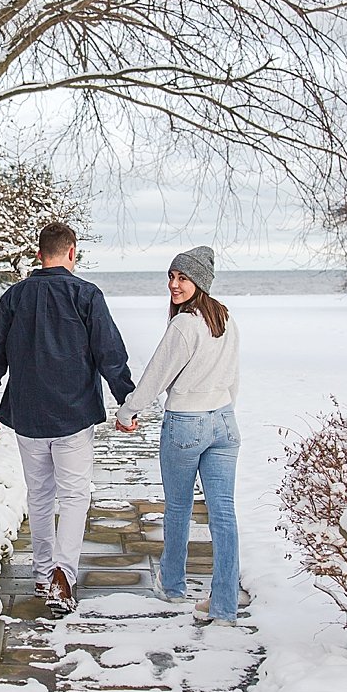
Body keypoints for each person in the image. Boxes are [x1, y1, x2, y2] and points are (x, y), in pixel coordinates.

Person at [0, 221, 134, 615]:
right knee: (76, 495)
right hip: (73, 413)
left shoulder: (14, 297)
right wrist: (126, 402)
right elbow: (109, 353)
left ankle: (44, 574)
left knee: (40, 496)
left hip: (27, 414)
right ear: (72, 252)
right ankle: (63, 573)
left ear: (39, 254)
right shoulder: (86, 295)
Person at [115, 246, 242, 625]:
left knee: (179, 507)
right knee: (223, 514)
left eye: (182, 278)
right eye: (171, 277)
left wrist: (127, 412)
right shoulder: (225, 319)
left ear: (199, 282)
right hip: (224, 422)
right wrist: (224, 407)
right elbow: (233, 375)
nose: (174, 284)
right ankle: (224, 606)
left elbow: (157, 375)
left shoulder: (185, 325)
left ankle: (172, 586)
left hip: (187, 422)